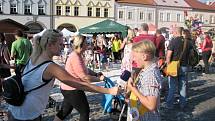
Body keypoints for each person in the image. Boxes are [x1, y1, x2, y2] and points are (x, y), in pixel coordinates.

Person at [8, 29, 119, 121]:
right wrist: (109, 91)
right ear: (50, 45)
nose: (63, 47)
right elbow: (81, 85)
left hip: (15, 110)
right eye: (60, 44)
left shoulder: (34, 58)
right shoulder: (50, 67)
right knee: (82, 111)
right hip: (27, 115)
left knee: (65, 110)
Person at [55, 35, 108, 121]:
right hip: (72, 89)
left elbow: (85, 69)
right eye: (86, 43)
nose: (88, 45)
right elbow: (85, 77)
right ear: (81, 44)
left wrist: (95, 74)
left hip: (68, 88)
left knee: (65, 111)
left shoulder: (78, 55)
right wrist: (99, 79)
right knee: (84, 111)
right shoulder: (75, 57)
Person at [126, 40, 162, 121]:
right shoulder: (145, 70)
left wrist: (133, 89)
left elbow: (151, 105)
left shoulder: (151, 75)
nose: (133, 60)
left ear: (144, 56)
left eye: (135, 56)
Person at [165, 27, 191, 110]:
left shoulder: (173, 41)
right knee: (183, 86)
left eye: (173, 32)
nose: (172, 33)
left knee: (172, 86)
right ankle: (182, 104)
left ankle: (169, 104)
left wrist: (168, 65)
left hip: (174, 65)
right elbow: (191, 54)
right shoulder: (187, 41)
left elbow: (168, 55)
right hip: (184, 66)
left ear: (176, 32)